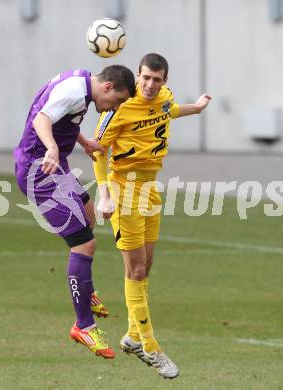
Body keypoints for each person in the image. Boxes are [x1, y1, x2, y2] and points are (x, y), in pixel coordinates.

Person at [93, 53, 211, 377]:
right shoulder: (119, 107)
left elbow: (170, 111)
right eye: (145, 78)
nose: (149, 85)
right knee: (136, 269)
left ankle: (132, 335)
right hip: (122, 191)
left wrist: (196, 108)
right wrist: (104, 194)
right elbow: (97, 152)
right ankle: (151, 346)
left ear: (164, 82)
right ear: (138, 76)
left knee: (147, 267)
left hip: (150, 190)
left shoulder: (164, 99)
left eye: (156, 80)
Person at [14, 65, 136, 359]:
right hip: (39, 171)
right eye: (117, 101)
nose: (114, 108)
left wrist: (84, 143)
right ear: (107, 87)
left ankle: (84, 288)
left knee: (89, 213)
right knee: (85, 243)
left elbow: (60, 114)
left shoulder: (81, 84)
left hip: (57, 167)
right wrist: (53, 148)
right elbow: (43, 118)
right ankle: (83, 325)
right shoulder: (74, 91)